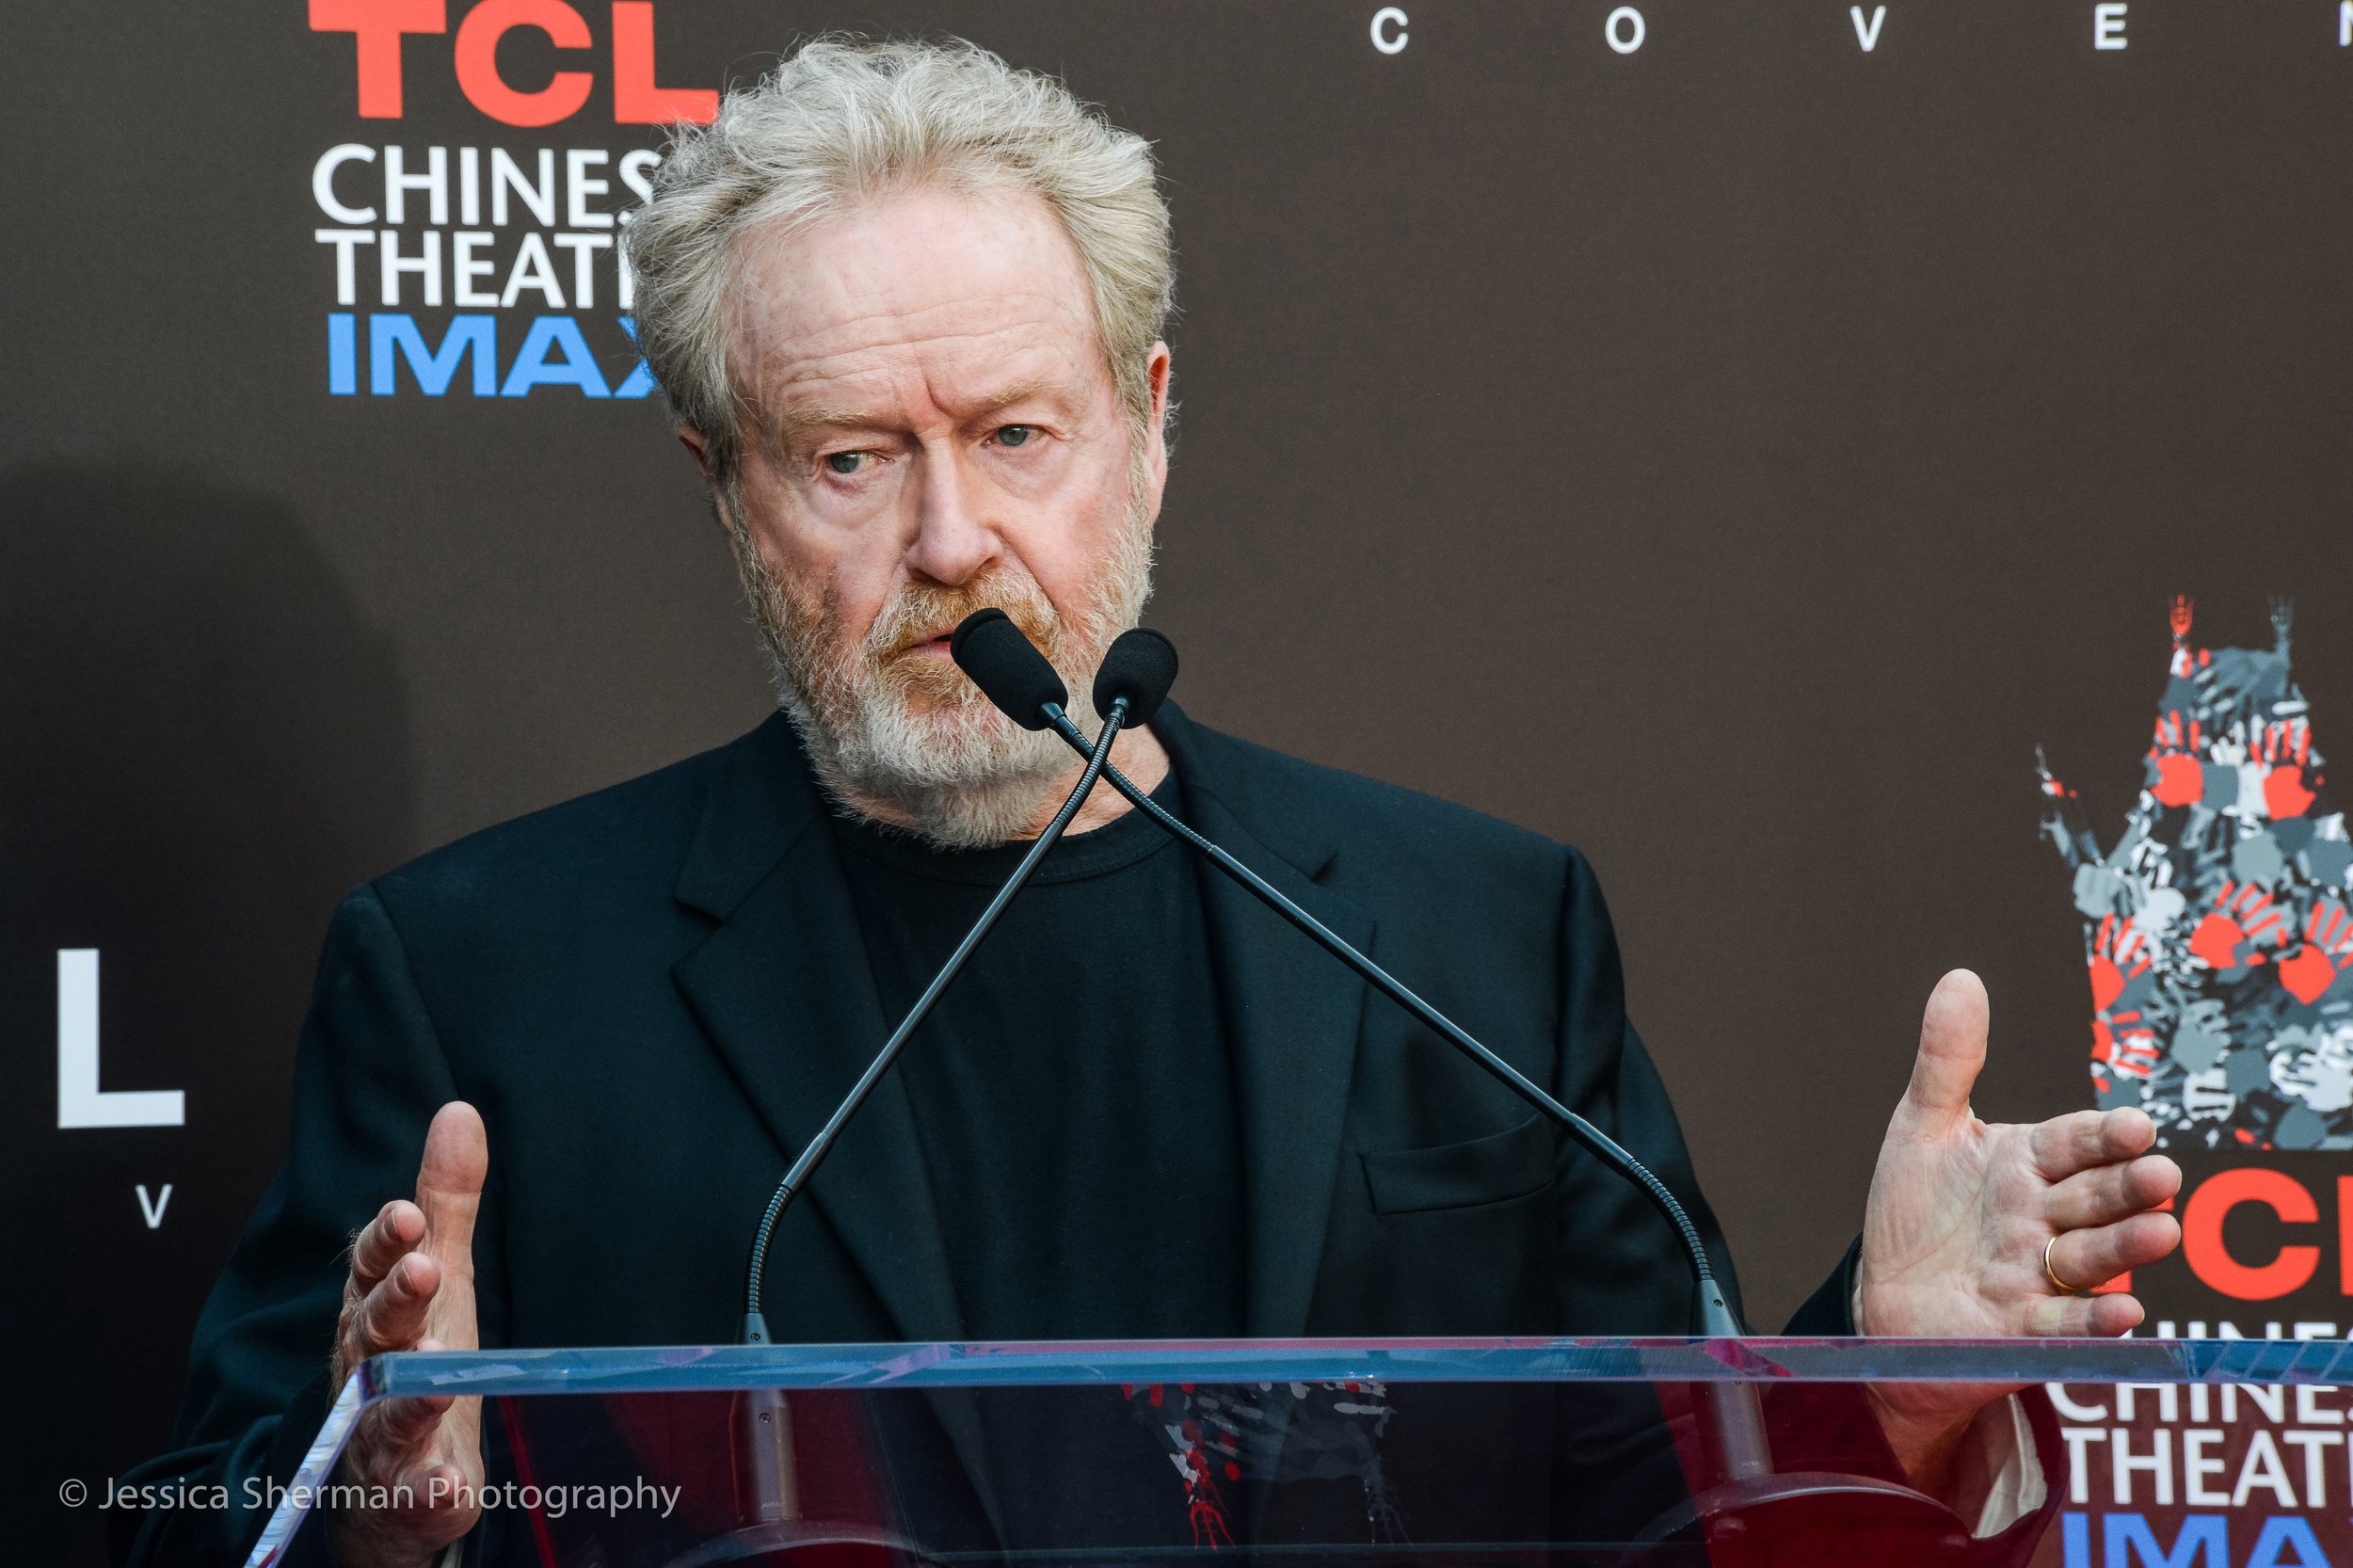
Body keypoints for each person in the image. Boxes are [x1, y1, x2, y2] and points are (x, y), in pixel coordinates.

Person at [118, 37, 2183, 1568]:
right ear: (723, 486)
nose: (954, 539)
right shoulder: (482, 977)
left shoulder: (1473, 931)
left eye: (1017, 431)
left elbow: (1634, 1505)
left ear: (1150, 422)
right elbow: (204, 1516)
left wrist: (1882, 1384)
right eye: (849, 458)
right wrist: (373, 1512)